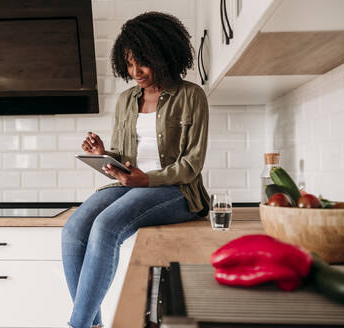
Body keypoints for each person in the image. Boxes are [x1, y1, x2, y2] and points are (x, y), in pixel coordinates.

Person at [61, 11, 210, 328]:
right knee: (74, 230)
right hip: (130, 186)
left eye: (142, 62)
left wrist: (148, 179)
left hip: (176, 191)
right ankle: (92, 324)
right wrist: (105, 156)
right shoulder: (126, 99)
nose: (135, 72)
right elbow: (125, 161)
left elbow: (192, 164)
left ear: (165, 55)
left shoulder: (191, 96)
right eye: (128, 64)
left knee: (106, 226)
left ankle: (78, 326)